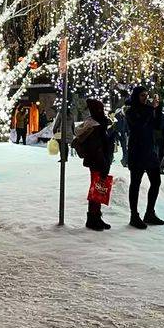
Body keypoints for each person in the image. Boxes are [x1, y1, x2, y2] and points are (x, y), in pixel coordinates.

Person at [125, 86, 164, 229]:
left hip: (149, 150)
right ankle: (134, 215)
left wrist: (157, 109)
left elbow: (157, 125)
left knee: (156, 181)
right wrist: (151, 110)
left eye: (146, 95)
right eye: (142, 95)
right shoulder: (131, 111)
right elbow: (139, 125)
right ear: (136, 96)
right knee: (135, 183)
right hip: (137, 151)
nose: (145, 98)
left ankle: (150, 212)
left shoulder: (148, 110)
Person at [72, 98, 114, 231]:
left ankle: (96, 216)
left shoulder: (98, 124)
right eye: (100, 109)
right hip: (97, 162)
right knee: (96, 190)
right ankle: (92, 218)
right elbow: (97, 148)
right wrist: (103, 164)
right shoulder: (95, 126)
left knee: (98, 189)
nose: (102, 112)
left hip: (99, 161)